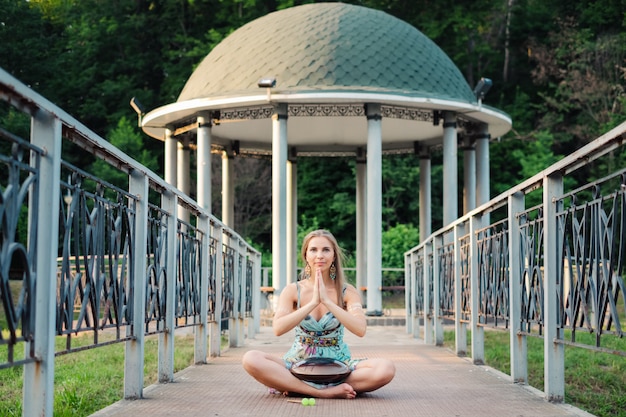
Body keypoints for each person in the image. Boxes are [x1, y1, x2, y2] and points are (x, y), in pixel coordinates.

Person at [242, 229, 395, 399]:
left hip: (339, 365)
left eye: (326, 250)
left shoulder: (347, 291)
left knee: (386, 368)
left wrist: (328, 302)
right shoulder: (293, 290)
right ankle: (321, 392)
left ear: (334, 256)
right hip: (297, 364)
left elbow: (360, 330)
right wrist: (313, 302)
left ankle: (296, 388)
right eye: (313, 250)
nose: (319, 255)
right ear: (306, 255)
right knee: (251, 358)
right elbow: (278, 328)